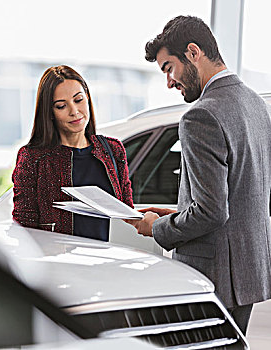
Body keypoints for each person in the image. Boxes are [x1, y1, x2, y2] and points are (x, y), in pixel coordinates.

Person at [126, 15, 271, 334]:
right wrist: (179, 213)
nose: (169, 82)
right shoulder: (255, 104)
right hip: (247, 275)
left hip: (213, 277)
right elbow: (240, 195)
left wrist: (158, 227)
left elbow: (212, 212)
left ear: (193, 52)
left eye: (168, 68)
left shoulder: (200, 116)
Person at [12, 65, 133, 241]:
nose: (74, 111)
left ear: (88, 98)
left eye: (78, 100)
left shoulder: (113, 149)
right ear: (50, 112)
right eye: (61, 106)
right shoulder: (32, 158)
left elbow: (126, 214)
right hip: (63, 263)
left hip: (110, 260)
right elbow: (23, 226)